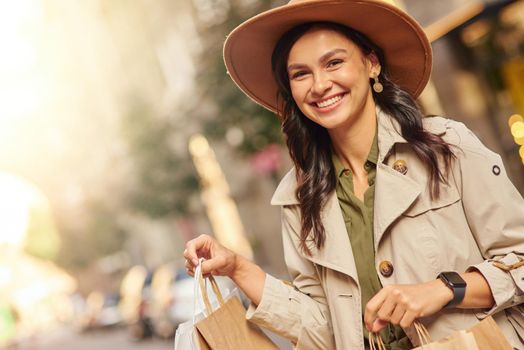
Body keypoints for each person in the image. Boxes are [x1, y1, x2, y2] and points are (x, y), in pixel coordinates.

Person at [184, 0, 524, 349]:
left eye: (334, 62)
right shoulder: (300, 196)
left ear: (371, 63)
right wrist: (238, 268)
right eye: (300, 73)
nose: (319, 85)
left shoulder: (446, 147)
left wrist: (443, 290)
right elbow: (326, 330)